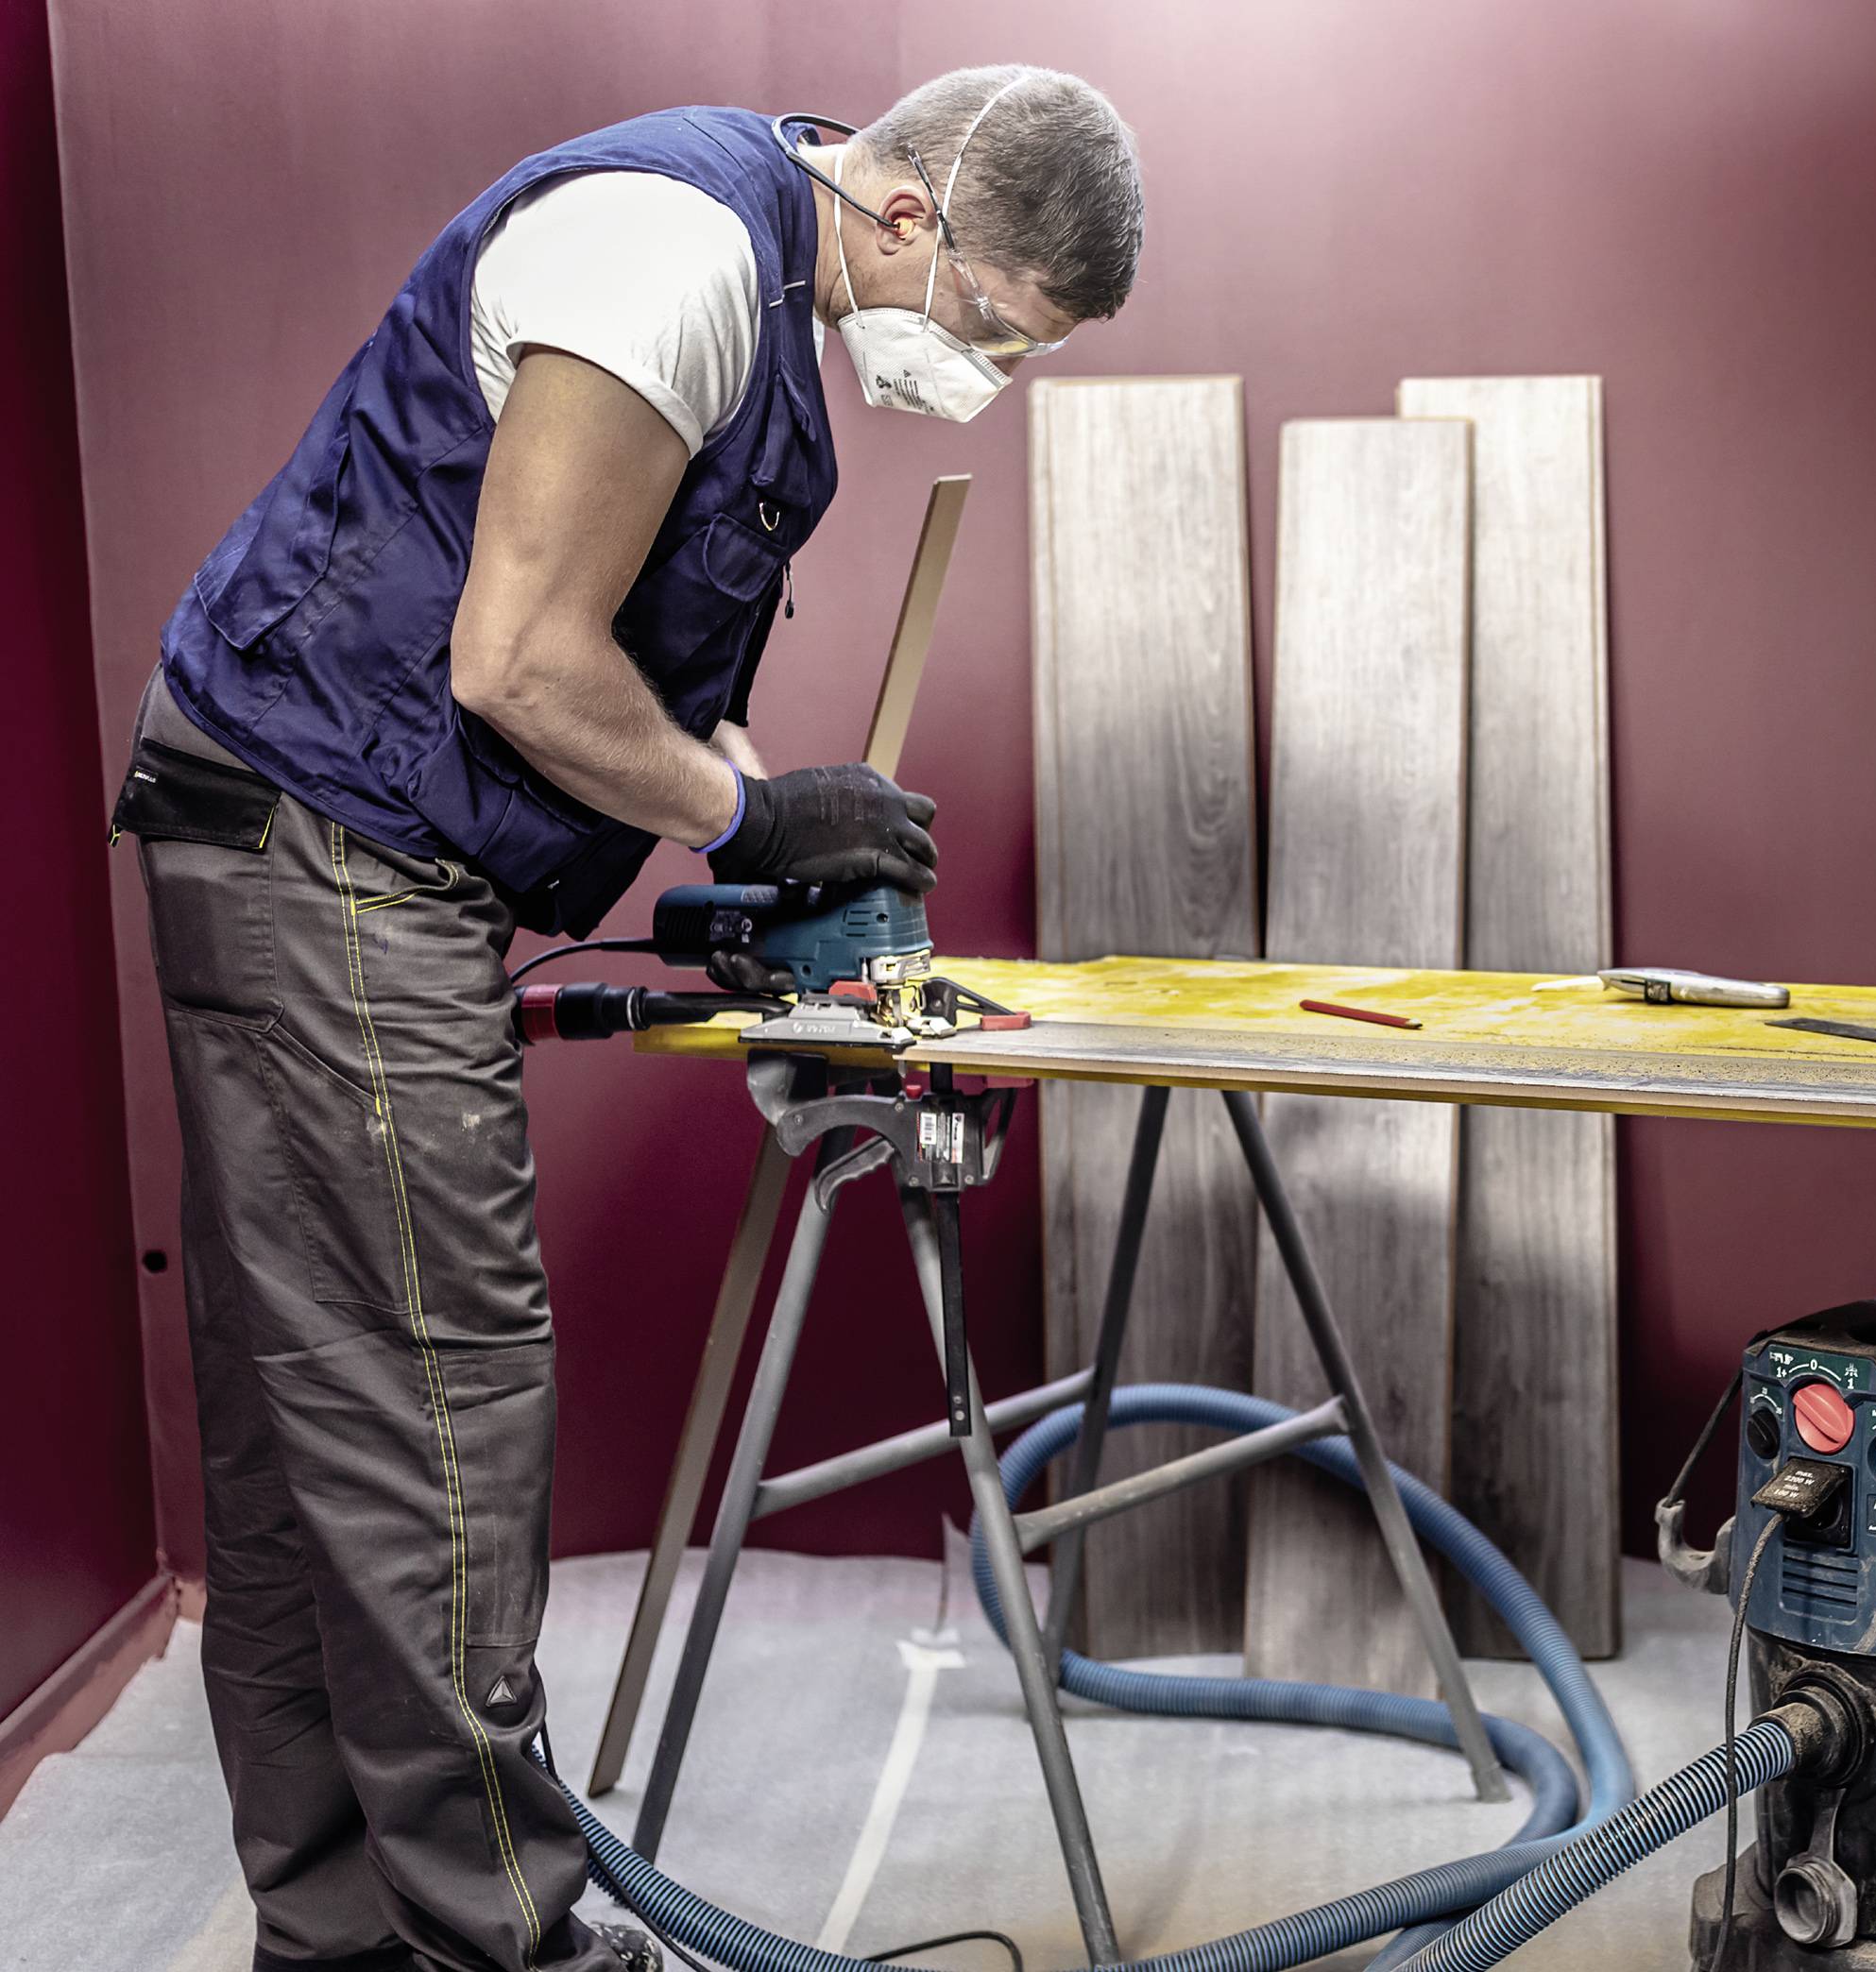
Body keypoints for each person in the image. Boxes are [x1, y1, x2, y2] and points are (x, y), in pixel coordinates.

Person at [111, 67, 1140, 1972]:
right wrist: (747, 815)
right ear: (907, 214)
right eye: (997, 323)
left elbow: (634, 651)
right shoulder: (671, 257)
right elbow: (513, 663)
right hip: (325, 843)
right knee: (435, 1416)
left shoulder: (765, 289)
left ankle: (340, 1944)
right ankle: (512, 1949)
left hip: (309, 829)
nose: (987, 367)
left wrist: (765, 812)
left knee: (304, 1440)